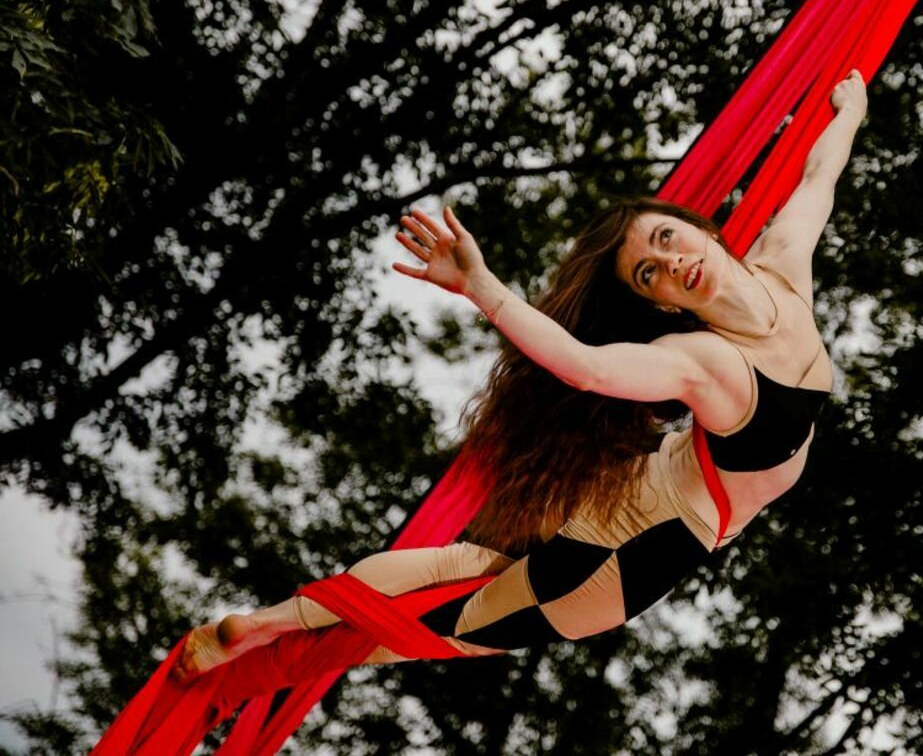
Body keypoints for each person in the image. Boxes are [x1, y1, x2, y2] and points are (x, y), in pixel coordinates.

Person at [172, 70, 867, 680]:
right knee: (439, 633)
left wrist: (853, 110)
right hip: (638, 545)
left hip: (639, 492)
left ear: (701, 228)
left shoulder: (783, 265)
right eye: (649, 273)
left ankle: (266, 628)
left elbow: (819, 178)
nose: (671, 262)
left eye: (666, 238)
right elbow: (588, 368)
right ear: (659, 303)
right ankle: (261, 645)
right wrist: (481, 287)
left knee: (463, 568)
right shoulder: (707, 362)